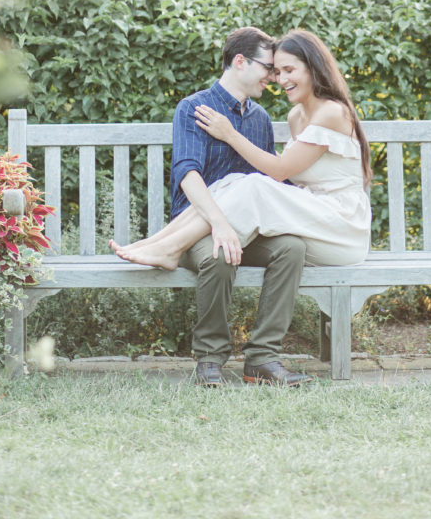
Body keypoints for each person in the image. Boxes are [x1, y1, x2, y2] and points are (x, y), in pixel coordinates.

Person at [111, 29, 373, 384]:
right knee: (222, 251)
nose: (276, 78)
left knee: (290, 246)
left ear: (311, 68)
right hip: (203, 225)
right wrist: (220, 223)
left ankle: (262, 358)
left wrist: (231, 138)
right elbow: (188, 174)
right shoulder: (195, 107)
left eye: (285, 70)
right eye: (272, 69)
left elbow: (274, 176)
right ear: (240, 62)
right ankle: (209, 359)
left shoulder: (264, 118)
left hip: (267, 222)